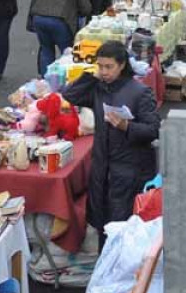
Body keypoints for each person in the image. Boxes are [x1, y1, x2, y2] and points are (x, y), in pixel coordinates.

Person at [62, 41, 160, 250]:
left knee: (123, 231)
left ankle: (123, 276)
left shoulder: (140, 92)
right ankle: (103, 273)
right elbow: (70, 95)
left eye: (109, 67)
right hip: (101, 170)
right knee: (103, 228)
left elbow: (153, 130)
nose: (104, 72)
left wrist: (126, 126)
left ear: (122, 65)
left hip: (128, 171)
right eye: (101, 66)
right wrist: (92, 76)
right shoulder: (98, 88)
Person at [29, 0, 92, 76]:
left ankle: (45, 81)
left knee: (46, 50)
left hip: (38, 18)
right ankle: (66, 81)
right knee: (67, 52)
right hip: (59, 20)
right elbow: (86, 9)